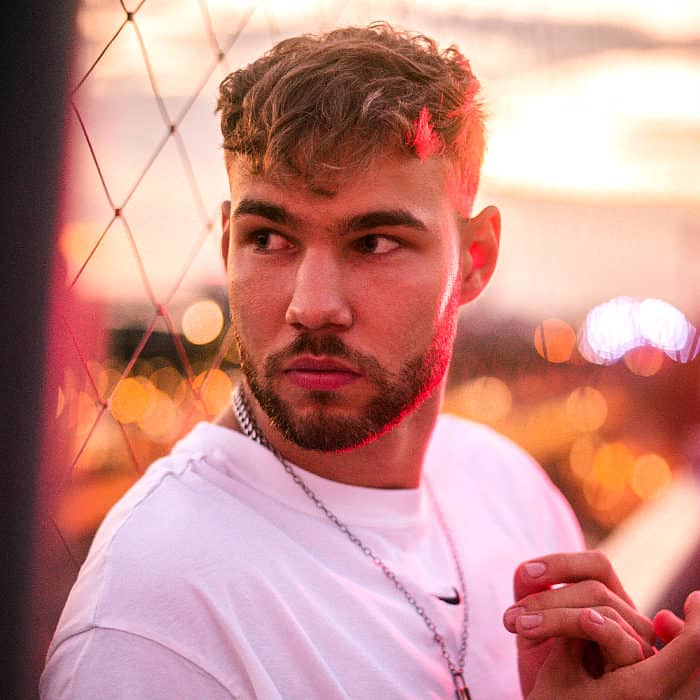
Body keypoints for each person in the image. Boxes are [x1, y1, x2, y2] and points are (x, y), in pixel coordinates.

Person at [41, 23, 700, 699]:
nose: (313, 305)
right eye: (268, 237)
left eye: (375, 242)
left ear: (475, 259)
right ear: (226, 244)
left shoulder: (511, 492)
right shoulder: (150, 615)